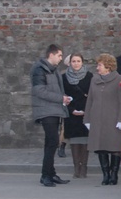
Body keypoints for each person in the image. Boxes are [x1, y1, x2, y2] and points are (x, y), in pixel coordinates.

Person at [84, 53, 121, 185]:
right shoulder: (94, 79)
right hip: (97, 118)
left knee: (114, 147)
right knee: (100, 147)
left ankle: (114, 174)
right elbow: (90, 100)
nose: (97, 67)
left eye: (100, 65)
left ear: (108, 67)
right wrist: (87, 119)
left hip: (114, 119)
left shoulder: (120, 79)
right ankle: (105, 174)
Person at [31, 44, 72, 187]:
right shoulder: (39, 69)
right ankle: (45, 175)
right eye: (60, 55)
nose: (61, 59)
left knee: (51, 143)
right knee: (52, 142)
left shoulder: (53, 70)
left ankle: (50, 173)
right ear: (51, 55)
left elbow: (55, 90)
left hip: (54, 110)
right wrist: (61, 98)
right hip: (45, 111)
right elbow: (39, 91)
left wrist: (63, 98)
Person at [62, 53, 93, 178]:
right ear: (70, 63)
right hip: (71, 112)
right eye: (73, 61)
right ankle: (76, 167)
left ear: (82, 62)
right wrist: (71, 109)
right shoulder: (64, 77)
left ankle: (84, 167)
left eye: (78, 61)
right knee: (74, 141)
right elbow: (62, 94)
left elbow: (92, 95)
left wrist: (87, 110)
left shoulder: (89, 76)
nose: (76, 63)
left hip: (86, 111)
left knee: (85, 140)